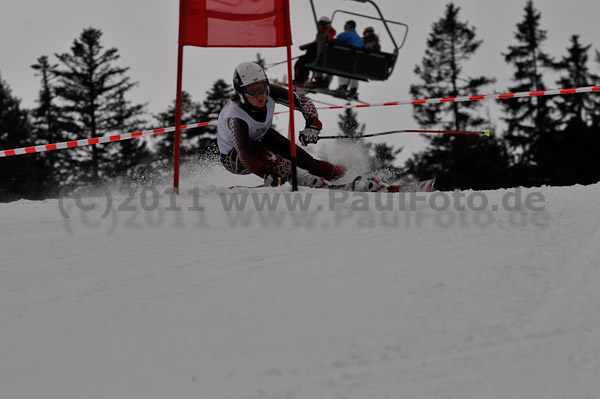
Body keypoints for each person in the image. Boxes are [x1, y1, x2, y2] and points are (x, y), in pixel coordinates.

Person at [217, 62, 347, 187]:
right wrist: (266, 173)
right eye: (252, 91)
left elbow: (302, 102)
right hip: (235, 158)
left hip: (261, 137)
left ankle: (341, 174)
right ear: (241, 93)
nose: (260, 95)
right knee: (262, 151)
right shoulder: (236, 117)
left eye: (261, 87)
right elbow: (245, 154)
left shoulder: (270, 92)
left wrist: (312, 124)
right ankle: (299, 177)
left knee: (303, 159)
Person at [294, 16, 336, 88]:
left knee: (300, 63)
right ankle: (304, 80)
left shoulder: (324, 35)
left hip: (318, 57)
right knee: (302, 61)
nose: (320, 26)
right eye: (320, 24)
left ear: (327, 25)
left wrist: (307, 48)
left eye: (322, 24)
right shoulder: (327, 34)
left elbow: (318, 45)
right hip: (319, 56)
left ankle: (300, 81)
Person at [335, 20, 364, 98]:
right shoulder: (358, 37)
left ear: (349, 26)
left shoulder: (348, 34)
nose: (344, 28)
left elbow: (338, 38)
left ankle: (343, 86)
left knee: (340, 65)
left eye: (345, 26)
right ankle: (353, 89)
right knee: (353, 71)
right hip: (357, 60)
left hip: (349, 57)